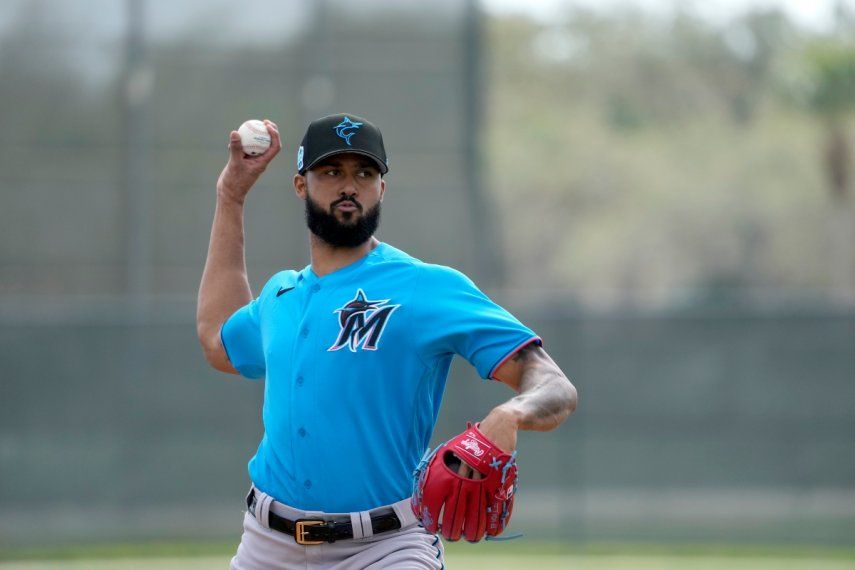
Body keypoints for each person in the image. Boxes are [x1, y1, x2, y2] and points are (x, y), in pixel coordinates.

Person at [196, 113, 578, 569]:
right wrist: (231, 195)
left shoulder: (425, 287)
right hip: (268, 546)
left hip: (386, 547)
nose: (349, 186)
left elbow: (554, 385)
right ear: (301, 185)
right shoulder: (281, 295)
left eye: (365, 173)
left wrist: (510, 414)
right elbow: (217, 341)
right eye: (331, 171)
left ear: (382, 188)